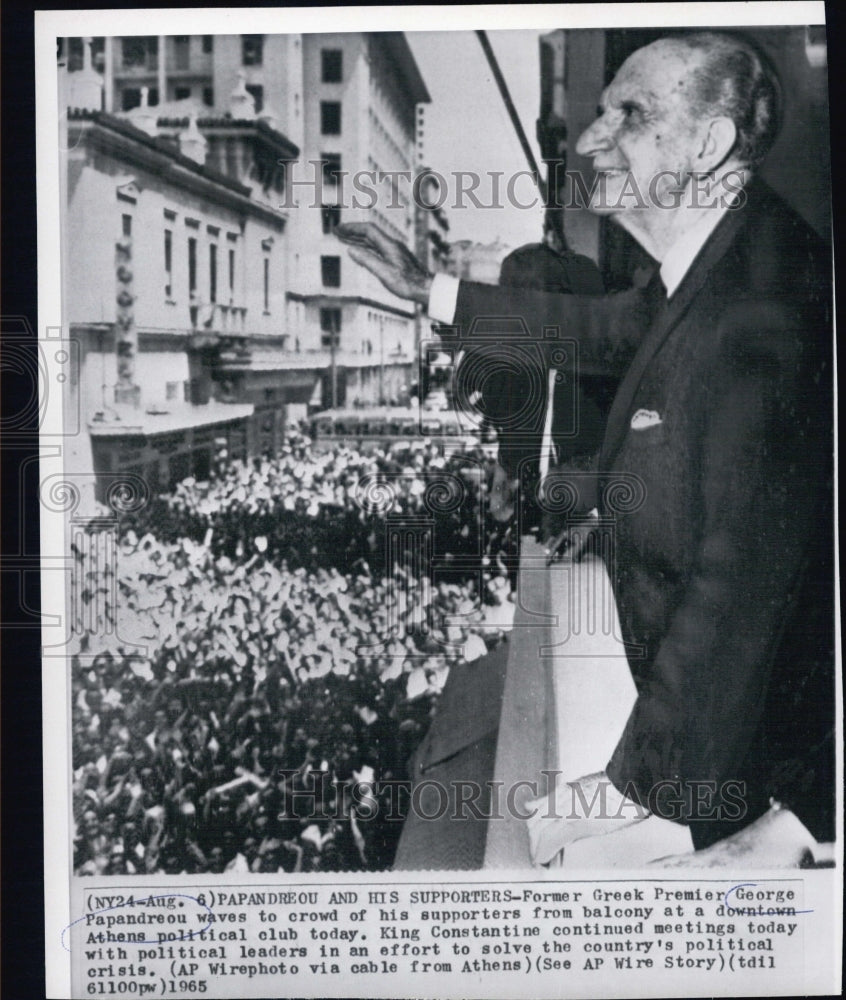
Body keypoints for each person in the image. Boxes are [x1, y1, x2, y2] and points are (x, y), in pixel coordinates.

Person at [336, 30, 834, 865]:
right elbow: (593, 329)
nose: (594, 137)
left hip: (764, 759)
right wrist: (429, 289)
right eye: (598, 112)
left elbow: (738, 583)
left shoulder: (766, 308)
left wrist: (644, 785)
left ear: (709, 145)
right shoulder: (715, 262)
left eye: (630, 116)